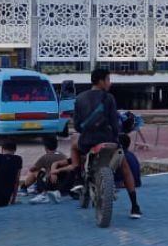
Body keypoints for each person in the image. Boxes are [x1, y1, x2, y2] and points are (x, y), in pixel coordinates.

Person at [71, 67, 142, 218]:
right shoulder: (109, 98)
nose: (110, 83)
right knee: (124, 167)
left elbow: (76, 126)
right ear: (101, 81)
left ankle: (77, 178)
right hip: (107, 140)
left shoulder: (80, 98)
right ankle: (135, 206)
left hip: (87, 141)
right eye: (108, 79)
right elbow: (114, 124)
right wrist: (116, 139)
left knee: (74, 147)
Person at [20, 136, 66, 201]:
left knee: (35, 172)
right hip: (61, 184)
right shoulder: (63, 156)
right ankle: (35, 185)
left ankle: (24, 188)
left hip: (48, 185)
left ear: (46, 147)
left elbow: (32, 169)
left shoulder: (45, 157)